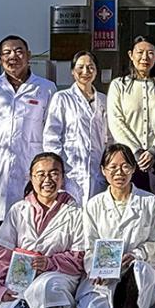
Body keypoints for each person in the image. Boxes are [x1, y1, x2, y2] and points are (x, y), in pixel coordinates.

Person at [0, 35, 57, 296]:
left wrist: (47, 163)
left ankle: (24, 274)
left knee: (29, 223)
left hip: (32, 167)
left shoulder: (45, 88)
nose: (13, 57)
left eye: (18, 51)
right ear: (0, 59)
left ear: (29, 56)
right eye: (7, 52)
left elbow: (51, 127)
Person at [0, 152, 84, 308]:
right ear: (31, 177)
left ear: (62, 177)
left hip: (59, 277)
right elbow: (0, 252)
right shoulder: (18, 210)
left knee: (47, 286)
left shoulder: (75, 212)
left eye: (54, 173)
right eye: (41, 174)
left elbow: (80, 257)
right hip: (23, 280)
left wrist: (49, 262)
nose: (47, 180)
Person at [74, 143, 155, 308]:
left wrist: (137, 254)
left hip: (138, 269)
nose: (119, 172)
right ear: (103, 171)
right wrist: (96, 269)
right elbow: (88, 246)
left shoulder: (150, 202)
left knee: (138, 271)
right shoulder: (93, 205)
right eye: (112, 167)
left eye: (125, 166)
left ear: (133, 168)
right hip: (105, 277)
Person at [43, 51, 109, 206]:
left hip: (97, 174)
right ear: (73, 71)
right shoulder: (62, 98)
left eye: (90, 67)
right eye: (80, 67)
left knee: (95, 214)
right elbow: (51, 138)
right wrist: (58, 171)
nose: (86, 71)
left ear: (96, 71)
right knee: (70, 215)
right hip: (70, 174)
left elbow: (110, 138)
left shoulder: (104, 100)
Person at [107, 36, 155, 196]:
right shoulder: (118, 85)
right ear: (131, 55)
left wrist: (154, 150)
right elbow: (116, 121)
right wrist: (136, 151)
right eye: (140, 52)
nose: (145, 57)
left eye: (150, 53)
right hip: (128, 159)